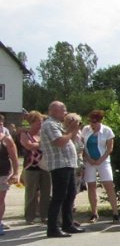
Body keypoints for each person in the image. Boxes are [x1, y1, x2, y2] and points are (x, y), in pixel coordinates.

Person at [41, 101, 85, 238]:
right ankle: (53, 228)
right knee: (59, 196)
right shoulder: (49, 124)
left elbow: (66, 138)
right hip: (59, 165)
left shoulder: (58, 124)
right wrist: (71, 130)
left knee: (70, 194)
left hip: (68, 164)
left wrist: (72, 129)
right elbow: (59, 142)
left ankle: (68, 224)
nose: (65, 112)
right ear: (53, 111)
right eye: (63, 110)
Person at [81, 110, 119, 223]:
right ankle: (94, 213)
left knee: (108, 185)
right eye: (90, 121)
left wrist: (100, 160)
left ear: (100, 121)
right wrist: (89, 159)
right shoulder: (85, 130)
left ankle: (115, 212)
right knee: (91, 186)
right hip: (89, 161)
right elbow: (82, 146)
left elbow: (109, 148)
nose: (92, 124)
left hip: (103, 161)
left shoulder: (107, 130)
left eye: (95, 122)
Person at [19, 111, 51, 225]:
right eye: (38, 121)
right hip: (30, 166)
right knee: (31, 192)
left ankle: (45, 216)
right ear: (32, 122)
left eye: (42, 121)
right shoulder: (25, 134)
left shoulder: (43, 133)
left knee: (46, 192)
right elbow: (28, 145)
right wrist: (41, 144)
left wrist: (39, 144)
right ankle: (29, 217)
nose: (41, 124)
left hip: (45, 166)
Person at [0, 125, 20, 235]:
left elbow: (14, 156)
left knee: (0, 198)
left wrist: (16, 173)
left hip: (3, 173)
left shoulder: (6, 139)